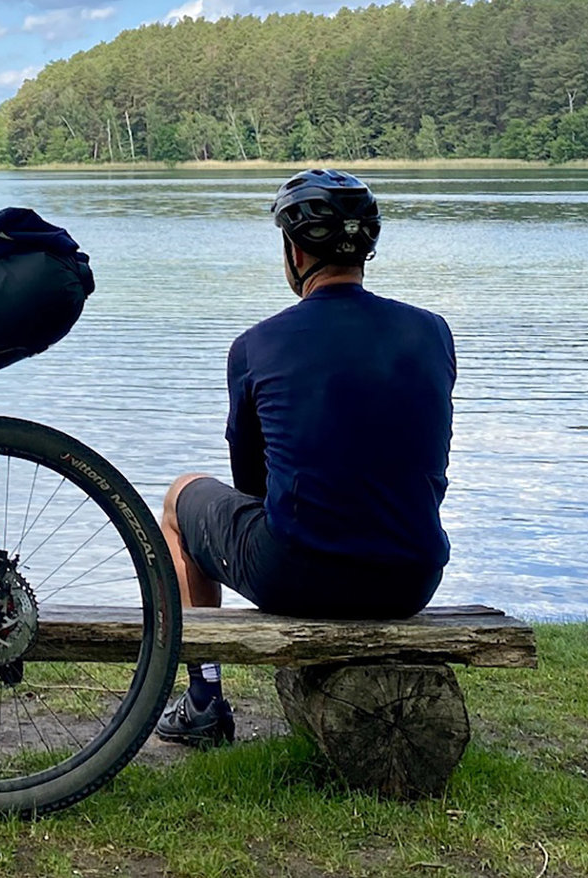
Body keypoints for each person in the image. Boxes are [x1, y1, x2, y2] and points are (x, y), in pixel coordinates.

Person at [154, 168, 456, 747]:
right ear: (367, 248)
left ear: (294, 252)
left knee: (179, 497)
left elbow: (251, 484)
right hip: (413, 578)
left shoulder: (256, 345)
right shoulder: (434, 331)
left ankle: (203, 700)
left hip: (298, 576)